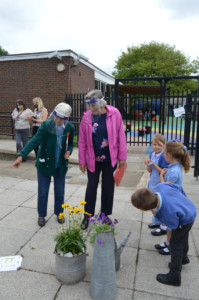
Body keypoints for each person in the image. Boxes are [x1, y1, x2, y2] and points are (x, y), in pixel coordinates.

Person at [11, 102, 75, 227]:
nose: (57, 120)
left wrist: (69, 151)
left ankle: (59, 212)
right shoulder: (46, 125)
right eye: (56, 116)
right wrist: (21, 156)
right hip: (44, 163)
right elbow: (34, 141)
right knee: (43, 191)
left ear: (66, 118)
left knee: (60, 191)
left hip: (60, 164)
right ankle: (41, 214)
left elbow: (71, 143)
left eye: (61, 118)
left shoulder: (69, 128)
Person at [78, 89, 127, 230]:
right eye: (89, 105)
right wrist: (82, 160)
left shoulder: (114, 113)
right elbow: (81, 140)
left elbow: (121, 135)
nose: (91, 108)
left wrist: (122, 157)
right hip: (92, 158)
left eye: (93, 105)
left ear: (101, 102)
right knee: (91, 186)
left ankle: (104, 215)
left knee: (108, 187)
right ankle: (87, 216)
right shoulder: (87, 117)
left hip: (110, 158)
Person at [131, 183, 196, 286]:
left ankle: (174, 276)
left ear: (147, 210)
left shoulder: (167, 212)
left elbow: (173, 226)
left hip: (184, 220)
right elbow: (178, 187)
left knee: (175, 246)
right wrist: (183, 200)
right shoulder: (162, 186)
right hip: (190, 209)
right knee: (183, 237)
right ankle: (183, 258)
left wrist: (156, 214)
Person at [154, 140, 190, 255]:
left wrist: (161, 175)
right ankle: (168, 243)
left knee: (171, 226)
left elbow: (165, 188)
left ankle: (170, 246)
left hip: (172, 202)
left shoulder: (174, 172)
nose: (164, 155)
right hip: (173, 200)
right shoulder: (174, 167)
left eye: (165, 153)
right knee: (169, 226)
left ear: (169, 155)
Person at [144, 134, 169, 234]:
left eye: (159, 144)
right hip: (153, 182)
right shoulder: (152, 154)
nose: (156, 147)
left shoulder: (163, 156)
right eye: (154, 144)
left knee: (160, 204)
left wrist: (153, 164)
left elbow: (162, 171)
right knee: (153, 203)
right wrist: (148, 165)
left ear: (163, 145)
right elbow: (150, 171)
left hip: (160, 183)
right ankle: (157, 221)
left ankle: (163, 225)